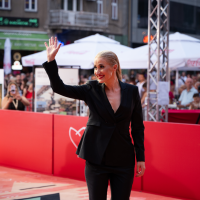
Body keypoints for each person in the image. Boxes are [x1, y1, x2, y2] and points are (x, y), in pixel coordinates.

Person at [43, 37, 145, 200]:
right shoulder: (91, 89)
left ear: (114, 67)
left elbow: (138, 126)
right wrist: (51, 61)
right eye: (95, 67)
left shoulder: (131, 91)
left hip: (123, 160)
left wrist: (140, 157)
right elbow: (59, 87)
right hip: (96, 159)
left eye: (101, 67)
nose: (97, 71)